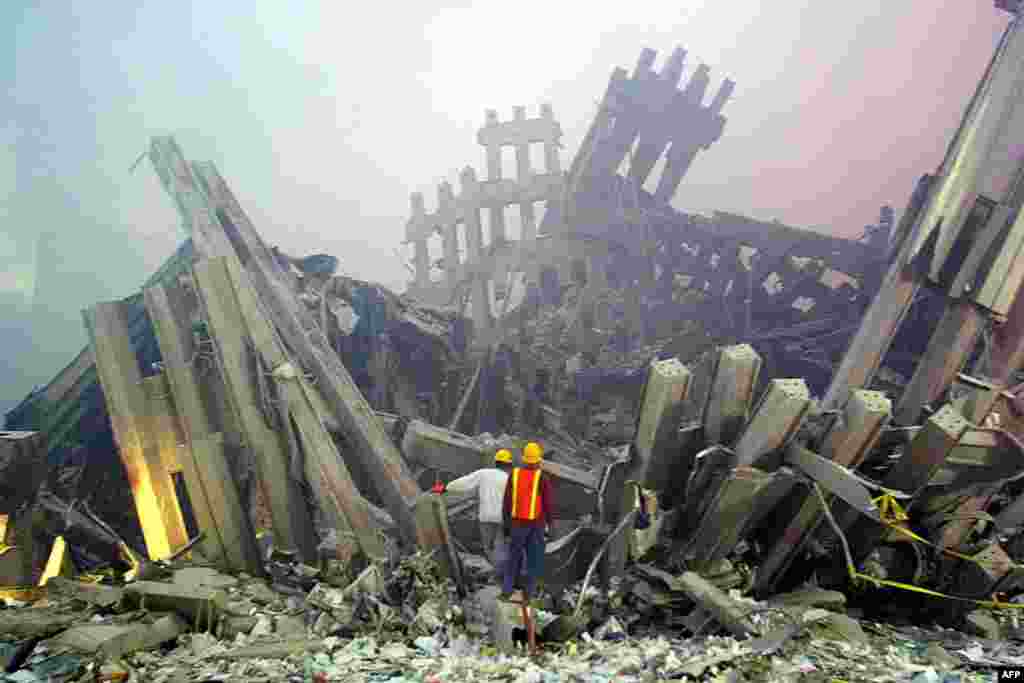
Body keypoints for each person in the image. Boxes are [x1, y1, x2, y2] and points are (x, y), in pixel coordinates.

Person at [439, 449, 514, 579]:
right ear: (508, 465)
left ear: (496, 462)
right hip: (503, 518)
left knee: (488, 548)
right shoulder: (510, 479)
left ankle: (497, 573)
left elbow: (464, 483)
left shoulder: (484, 473)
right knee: (501, 547)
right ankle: (500, 574)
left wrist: (444, 487)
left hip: (485, 517)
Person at [500, 441, 553, 601]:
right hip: (536, 525)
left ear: (524, 459)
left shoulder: (514, 475)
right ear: (538, 460)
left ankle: (506, 591)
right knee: (533, 560)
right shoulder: (543, 478)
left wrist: (506, 527)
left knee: (513, 558)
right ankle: (528, 595)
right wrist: (551, 525)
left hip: (516, 523)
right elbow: (548, 504)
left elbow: (507, 503)